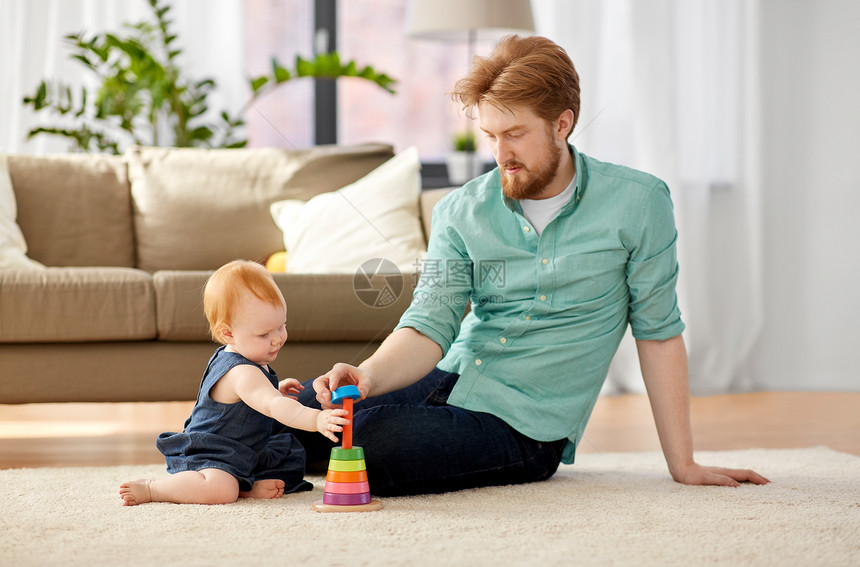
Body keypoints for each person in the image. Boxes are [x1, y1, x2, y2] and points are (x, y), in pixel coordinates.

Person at [287, 35, 770, 496]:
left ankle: (271, 456)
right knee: (296, 410)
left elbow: (658, 331)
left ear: (563, 124)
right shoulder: (460, 210)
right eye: (490, 135)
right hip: (449, 378)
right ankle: (250, 457)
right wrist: (367, 376)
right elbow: (429, 322)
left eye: (515, 134)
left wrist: (682, 463)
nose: (500, 155)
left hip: (526, 427)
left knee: (372, 441)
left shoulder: (639, 203)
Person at [119, 260, 348, 506]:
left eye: (282, 325)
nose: (277, 339)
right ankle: (154, 489)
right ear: (228, 333)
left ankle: (244, 484)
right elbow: (272, 406)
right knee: (220, 490)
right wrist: (315, 419)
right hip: (211, 453)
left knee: (290, 461)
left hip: (247, 450)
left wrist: (275, 388)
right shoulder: (240, 371)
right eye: (264, 334)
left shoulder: (251, 356)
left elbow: (250, 398)